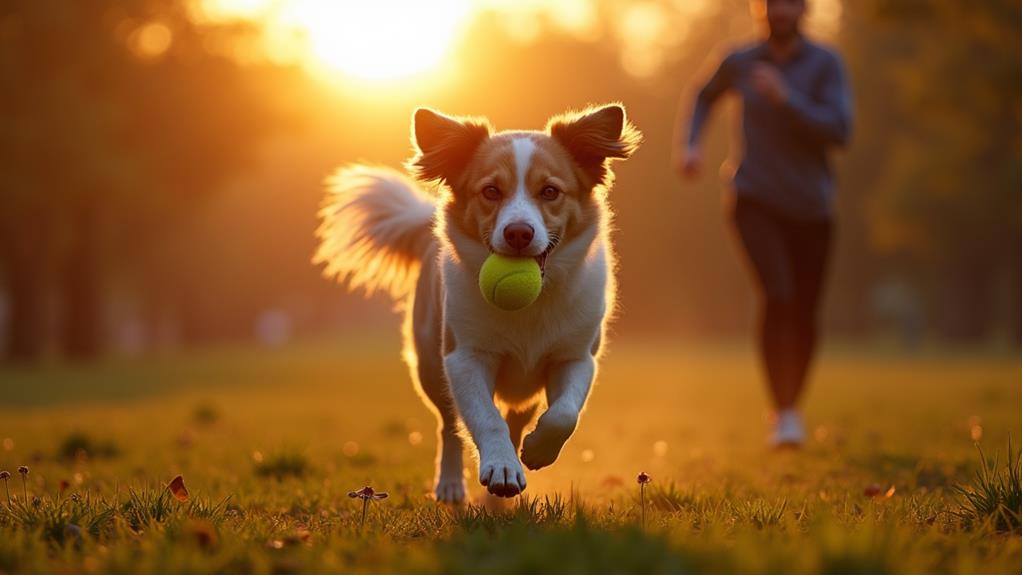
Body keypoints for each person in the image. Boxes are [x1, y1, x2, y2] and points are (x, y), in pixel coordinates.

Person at [676, 0, 852, 447]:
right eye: (773, 2)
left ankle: (792, 404)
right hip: (753, 197)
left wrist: (787, 99)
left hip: (813, 206)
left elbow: (840, 130)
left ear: (805, 9)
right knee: (778, 294)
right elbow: (703, 95)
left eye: (791, 3)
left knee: (805, 311)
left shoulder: (825, 63)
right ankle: (785, 414)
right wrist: (691, 145)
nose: (781, 10)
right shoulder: (739, 60)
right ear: (761, 8)